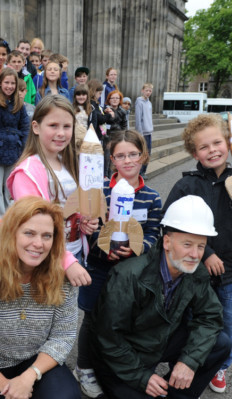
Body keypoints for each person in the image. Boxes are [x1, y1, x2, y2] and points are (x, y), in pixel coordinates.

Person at [163, 114, 232, 394]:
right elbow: (171, 225)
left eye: (217, 143)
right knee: (190, 322)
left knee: (227, 324)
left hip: (228, 274)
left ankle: (219, 366)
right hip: (191, 274)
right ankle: (186, 360)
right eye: (204, 147)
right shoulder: (186, 186)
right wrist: (206, 253)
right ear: (194, 153)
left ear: (229, 144)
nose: (212, 150)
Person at [90, 195, 232, 399]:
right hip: (120, 357)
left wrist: (189, 361)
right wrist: (142, 377)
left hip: (159, 340)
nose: (194, 254)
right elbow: (109, 338)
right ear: (167, 242)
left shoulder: (196, 272)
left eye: (201, 246)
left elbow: (210, 318)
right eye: (187, 244)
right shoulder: (128, 275)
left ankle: (176, 394)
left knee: (221, 344)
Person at [0, 197, 82, 399]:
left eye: (47, 236)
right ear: (11, 234)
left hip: (37, 361)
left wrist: (29, 376)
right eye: (29, 233)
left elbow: (62, 337)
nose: (38, 244)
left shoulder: (62, 279)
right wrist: (7, 386)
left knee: (65, 396)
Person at [73, 130, 162, 398]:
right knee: (92, 317)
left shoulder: (151, 196)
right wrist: (100, 243)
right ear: (112, 160)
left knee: (122, 318)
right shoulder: (99, 192)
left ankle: (112, 365)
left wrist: (137, 248)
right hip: (100, 267)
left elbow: (153, 232)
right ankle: (84, 367)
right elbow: (91, 226)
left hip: (131, 271)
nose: (127, 161)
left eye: (133, 154)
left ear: (143, 156)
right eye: (120, 156)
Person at [7, 94, 93, 286]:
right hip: (44, 257)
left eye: (66, 126)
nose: (61, 133)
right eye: (53, 126)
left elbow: (70, 206)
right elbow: (33, 225)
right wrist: (66, 261)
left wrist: (83, 220)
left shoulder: (68, 163)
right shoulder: (27, 172)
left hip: (73, 248)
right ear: (36, 127)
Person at [0, 68, 30, 215]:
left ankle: (10, 216)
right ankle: (0, 221)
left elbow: (25, 128)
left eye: (12, 83)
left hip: (14, 151)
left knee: (10, 189)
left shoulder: (19, 104)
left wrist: (23, 152)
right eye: (6, 82)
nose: (9, 86)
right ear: (0, 83)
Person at [103, 90, 128, 175]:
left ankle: (115, 177)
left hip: (118, 138)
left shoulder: (123, 112)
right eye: (112, 98)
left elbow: (124, 126)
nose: (115, 100)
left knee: (117, 159)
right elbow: (103, 126)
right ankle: (106, 177)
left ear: (120, 99)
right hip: (108, 139)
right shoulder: (105, 110)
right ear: (109, 100)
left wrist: (123, 138)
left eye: (117, 98)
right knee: (107, 159)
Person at [135, 83, 153, 176]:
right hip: (143, 132)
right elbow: (138, 118)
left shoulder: (149, 103)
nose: (148, 92)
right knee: (143, 152)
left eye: (150, 91)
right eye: (147, 90)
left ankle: (143, 172)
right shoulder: (139, 101)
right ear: (142, 91)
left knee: (148, 153)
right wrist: (139, 133)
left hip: (149, 131)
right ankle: (140, 172)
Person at [87, 79, 107, 146]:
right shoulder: (92, 105)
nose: (100, 96)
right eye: (99, 93)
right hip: (93, 136)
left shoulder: (95, 104)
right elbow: (100, 119)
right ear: (93, 92)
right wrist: (109, 116)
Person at [72, 83, 91, 148]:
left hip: (87, 138)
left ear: (87, 96)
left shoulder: (91, 109)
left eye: (83, 94)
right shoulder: (72, 108)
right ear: (75, 96)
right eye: (78, 94)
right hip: (74, 138)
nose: (81, 97)